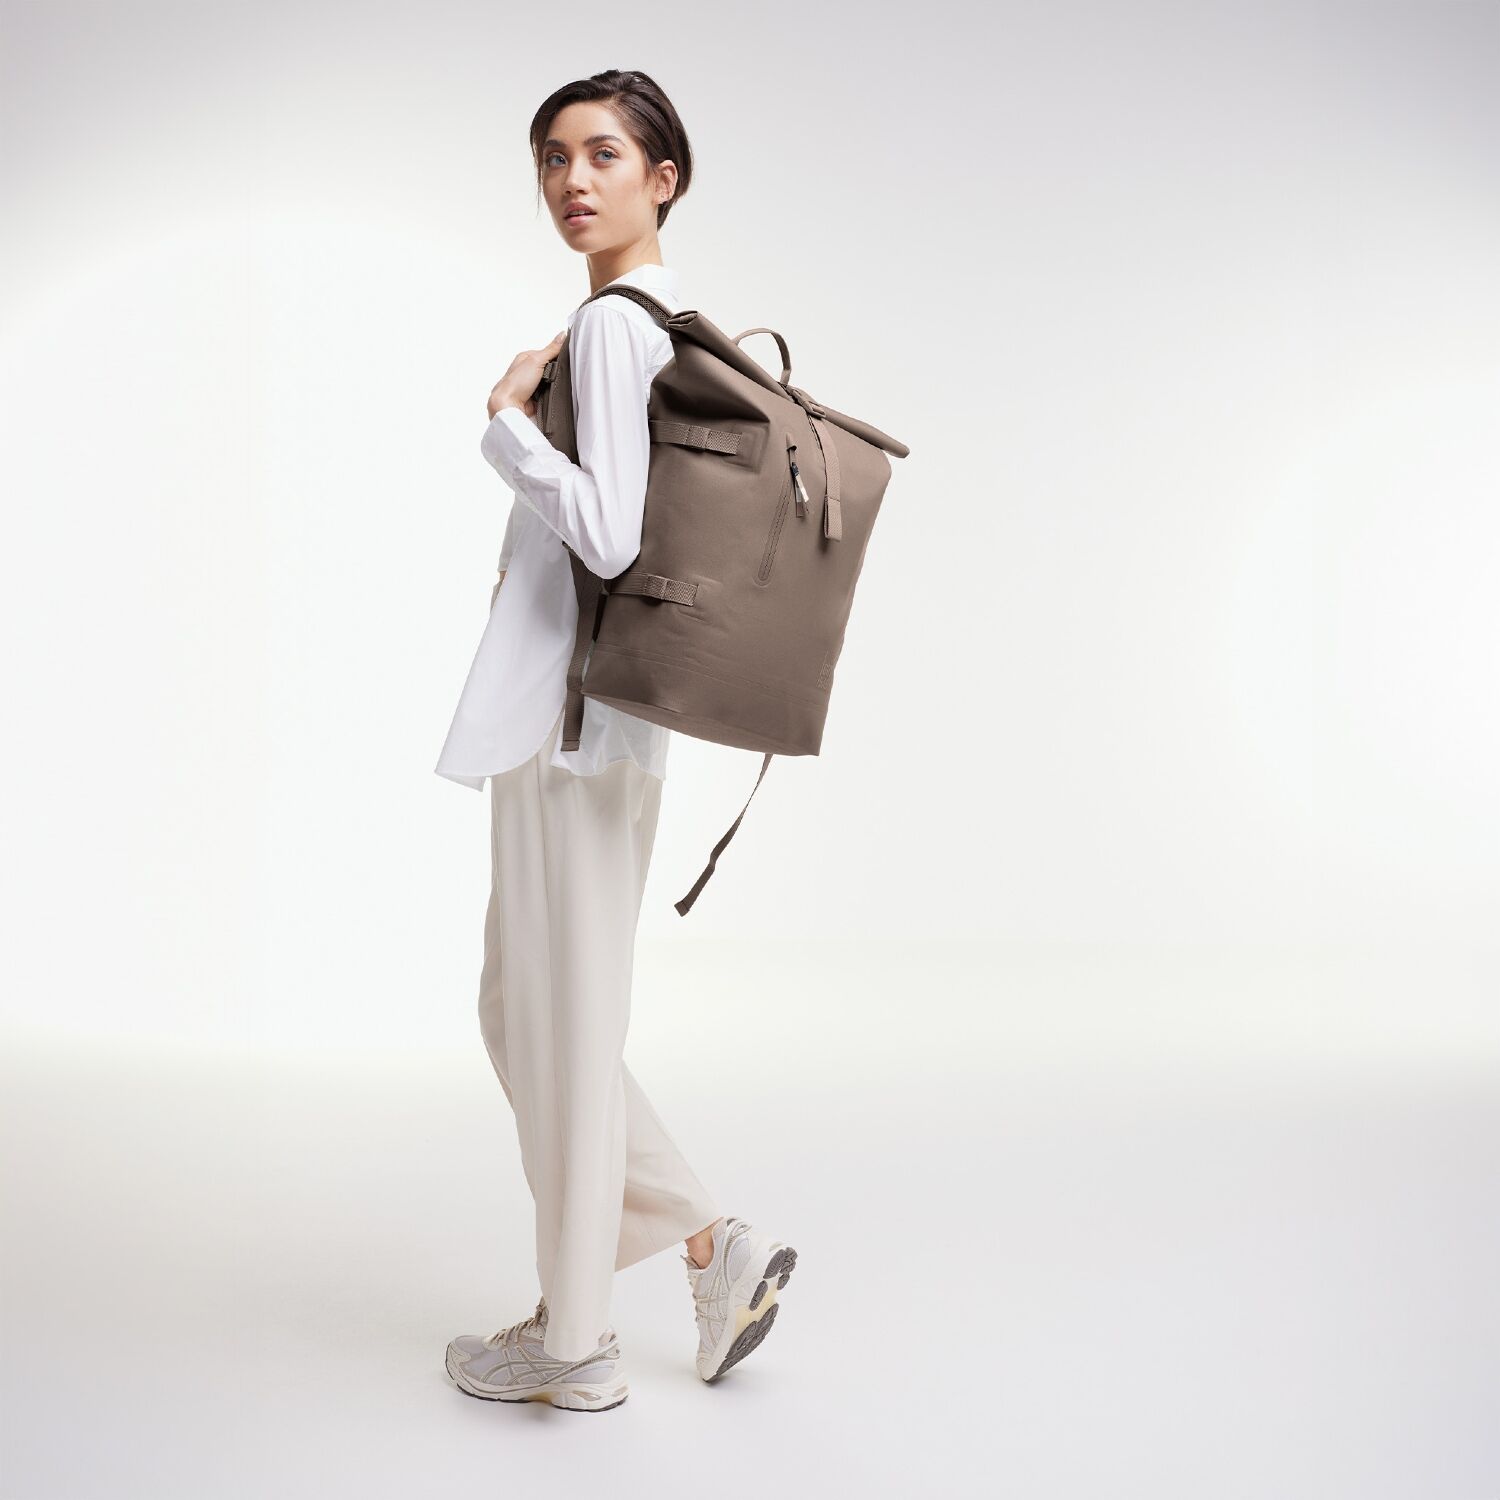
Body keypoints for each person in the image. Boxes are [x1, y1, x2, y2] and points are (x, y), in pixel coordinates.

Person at [433, 69, 797, 1412]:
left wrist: (505, 427)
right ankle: (707, 1242)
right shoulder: (656, 321)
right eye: (552, 159)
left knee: (561, 1020)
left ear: (664, 177)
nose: (571, 182)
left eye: (602, 154)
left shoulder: (607, 330)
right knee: (526, 1009)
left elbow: (609, 535)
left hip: (573, 718)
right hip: (608, 716)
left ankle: (576, 1342)